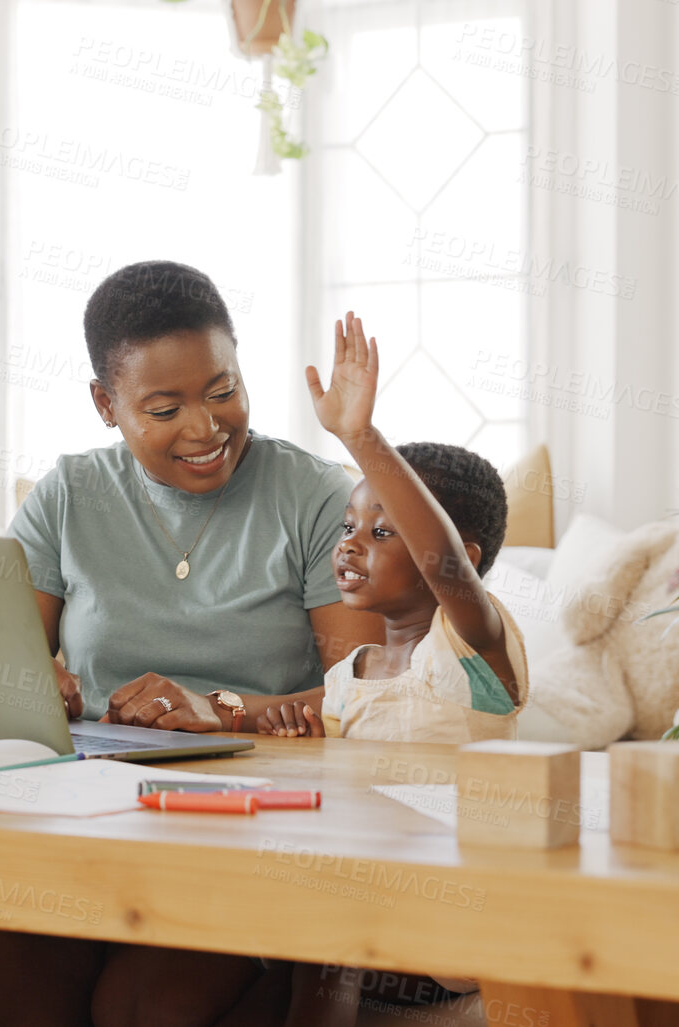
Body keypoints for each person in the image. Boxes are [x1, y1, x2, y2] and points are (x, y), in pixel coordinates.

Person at [0, 264, 384, 1027]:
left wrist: (223, 710)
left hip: (246, 830)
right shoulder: (67, 495)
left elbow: (366, 696)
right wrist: (33, 687)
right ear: (106, 403)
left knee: (151, 1006)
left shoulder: (315, 497)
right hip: (82, 822)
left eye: (222, 390)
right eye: (164, 407)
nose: (204, 428)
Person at [249, 312, 526, 1027]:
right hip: (370, 909)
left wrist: (359, 438)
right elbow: (269, 714)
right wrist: (231, 710)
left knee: (328, 914)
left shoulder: (473, 645)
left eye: (380, 531)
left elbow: (443, 563)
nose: (349, 546)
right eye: (347, 527)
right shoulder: (352, 673)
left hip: (455, 920)